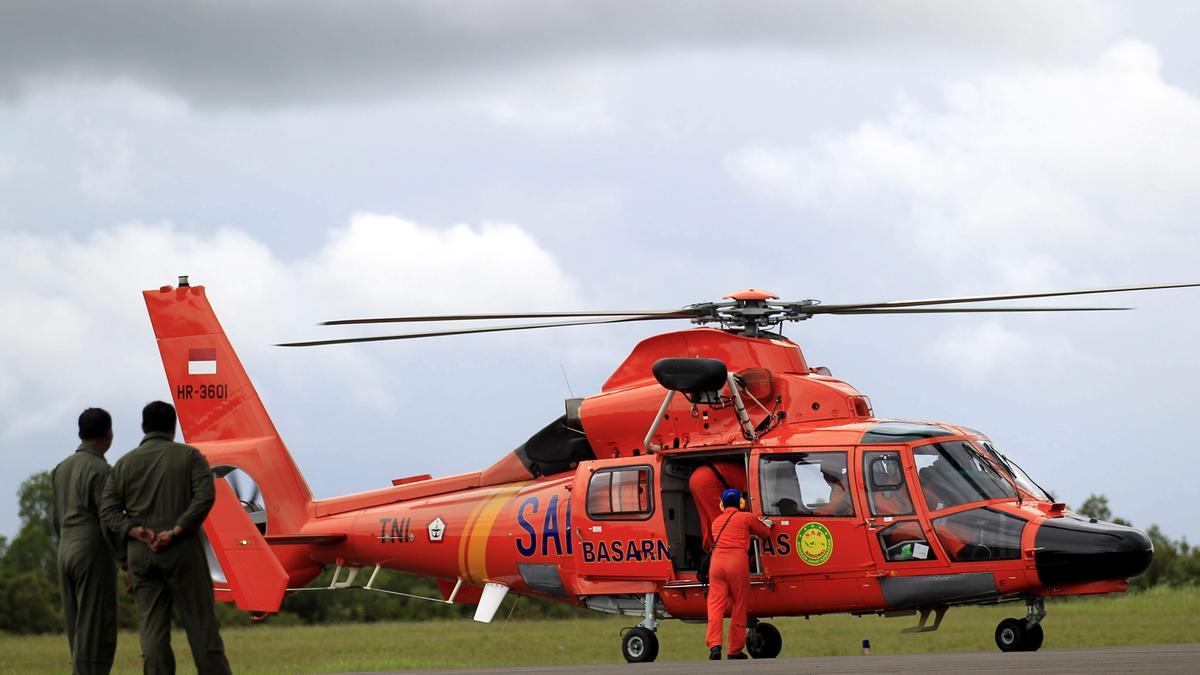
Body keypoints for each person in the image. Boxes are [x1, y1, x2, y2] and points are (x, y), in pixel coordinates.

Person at [101, 401, 231, 675]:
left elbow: (109, 511)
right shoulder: (190, 457)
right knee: (202, 627)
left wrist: (137, 532)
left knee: (152, 632)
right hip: (183, 553)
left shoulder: (124, 464)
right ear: (173, 427)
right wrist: (176, 530)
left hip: (141, 556)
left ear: (143, 428)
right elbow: (205, 495)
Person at [52, 408, 126, 675]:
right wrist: (126, 561)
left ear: (81, 433)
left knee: (77, 629)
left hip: (65, 550)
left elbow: (55, 518)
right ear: (109, 433)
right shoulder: (103, 470)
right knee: (95, 631)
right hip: (91, 552)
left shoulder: (61, 469)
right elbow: (110, 520)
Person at [705, 488, 772, 660]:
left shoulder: (716, 522)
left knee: (715, 606)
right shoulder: (747, 517)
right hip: (737, 562)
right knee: (739, 605)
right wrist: (767, 525)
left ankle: (714, 646)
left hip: (717, 564)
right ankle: (734, 650)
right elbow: (765, 533)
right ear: (741, 503)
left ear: (722, 504)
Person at [688, 462, 747, 551]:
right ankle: (722, 550)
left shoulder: (743, 470)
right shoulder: (755, 475)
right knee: (724, 520)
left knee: (708, 518)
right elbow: (754, 498)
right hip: (708, 479)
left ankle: (710, 547)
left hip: (697, 477)